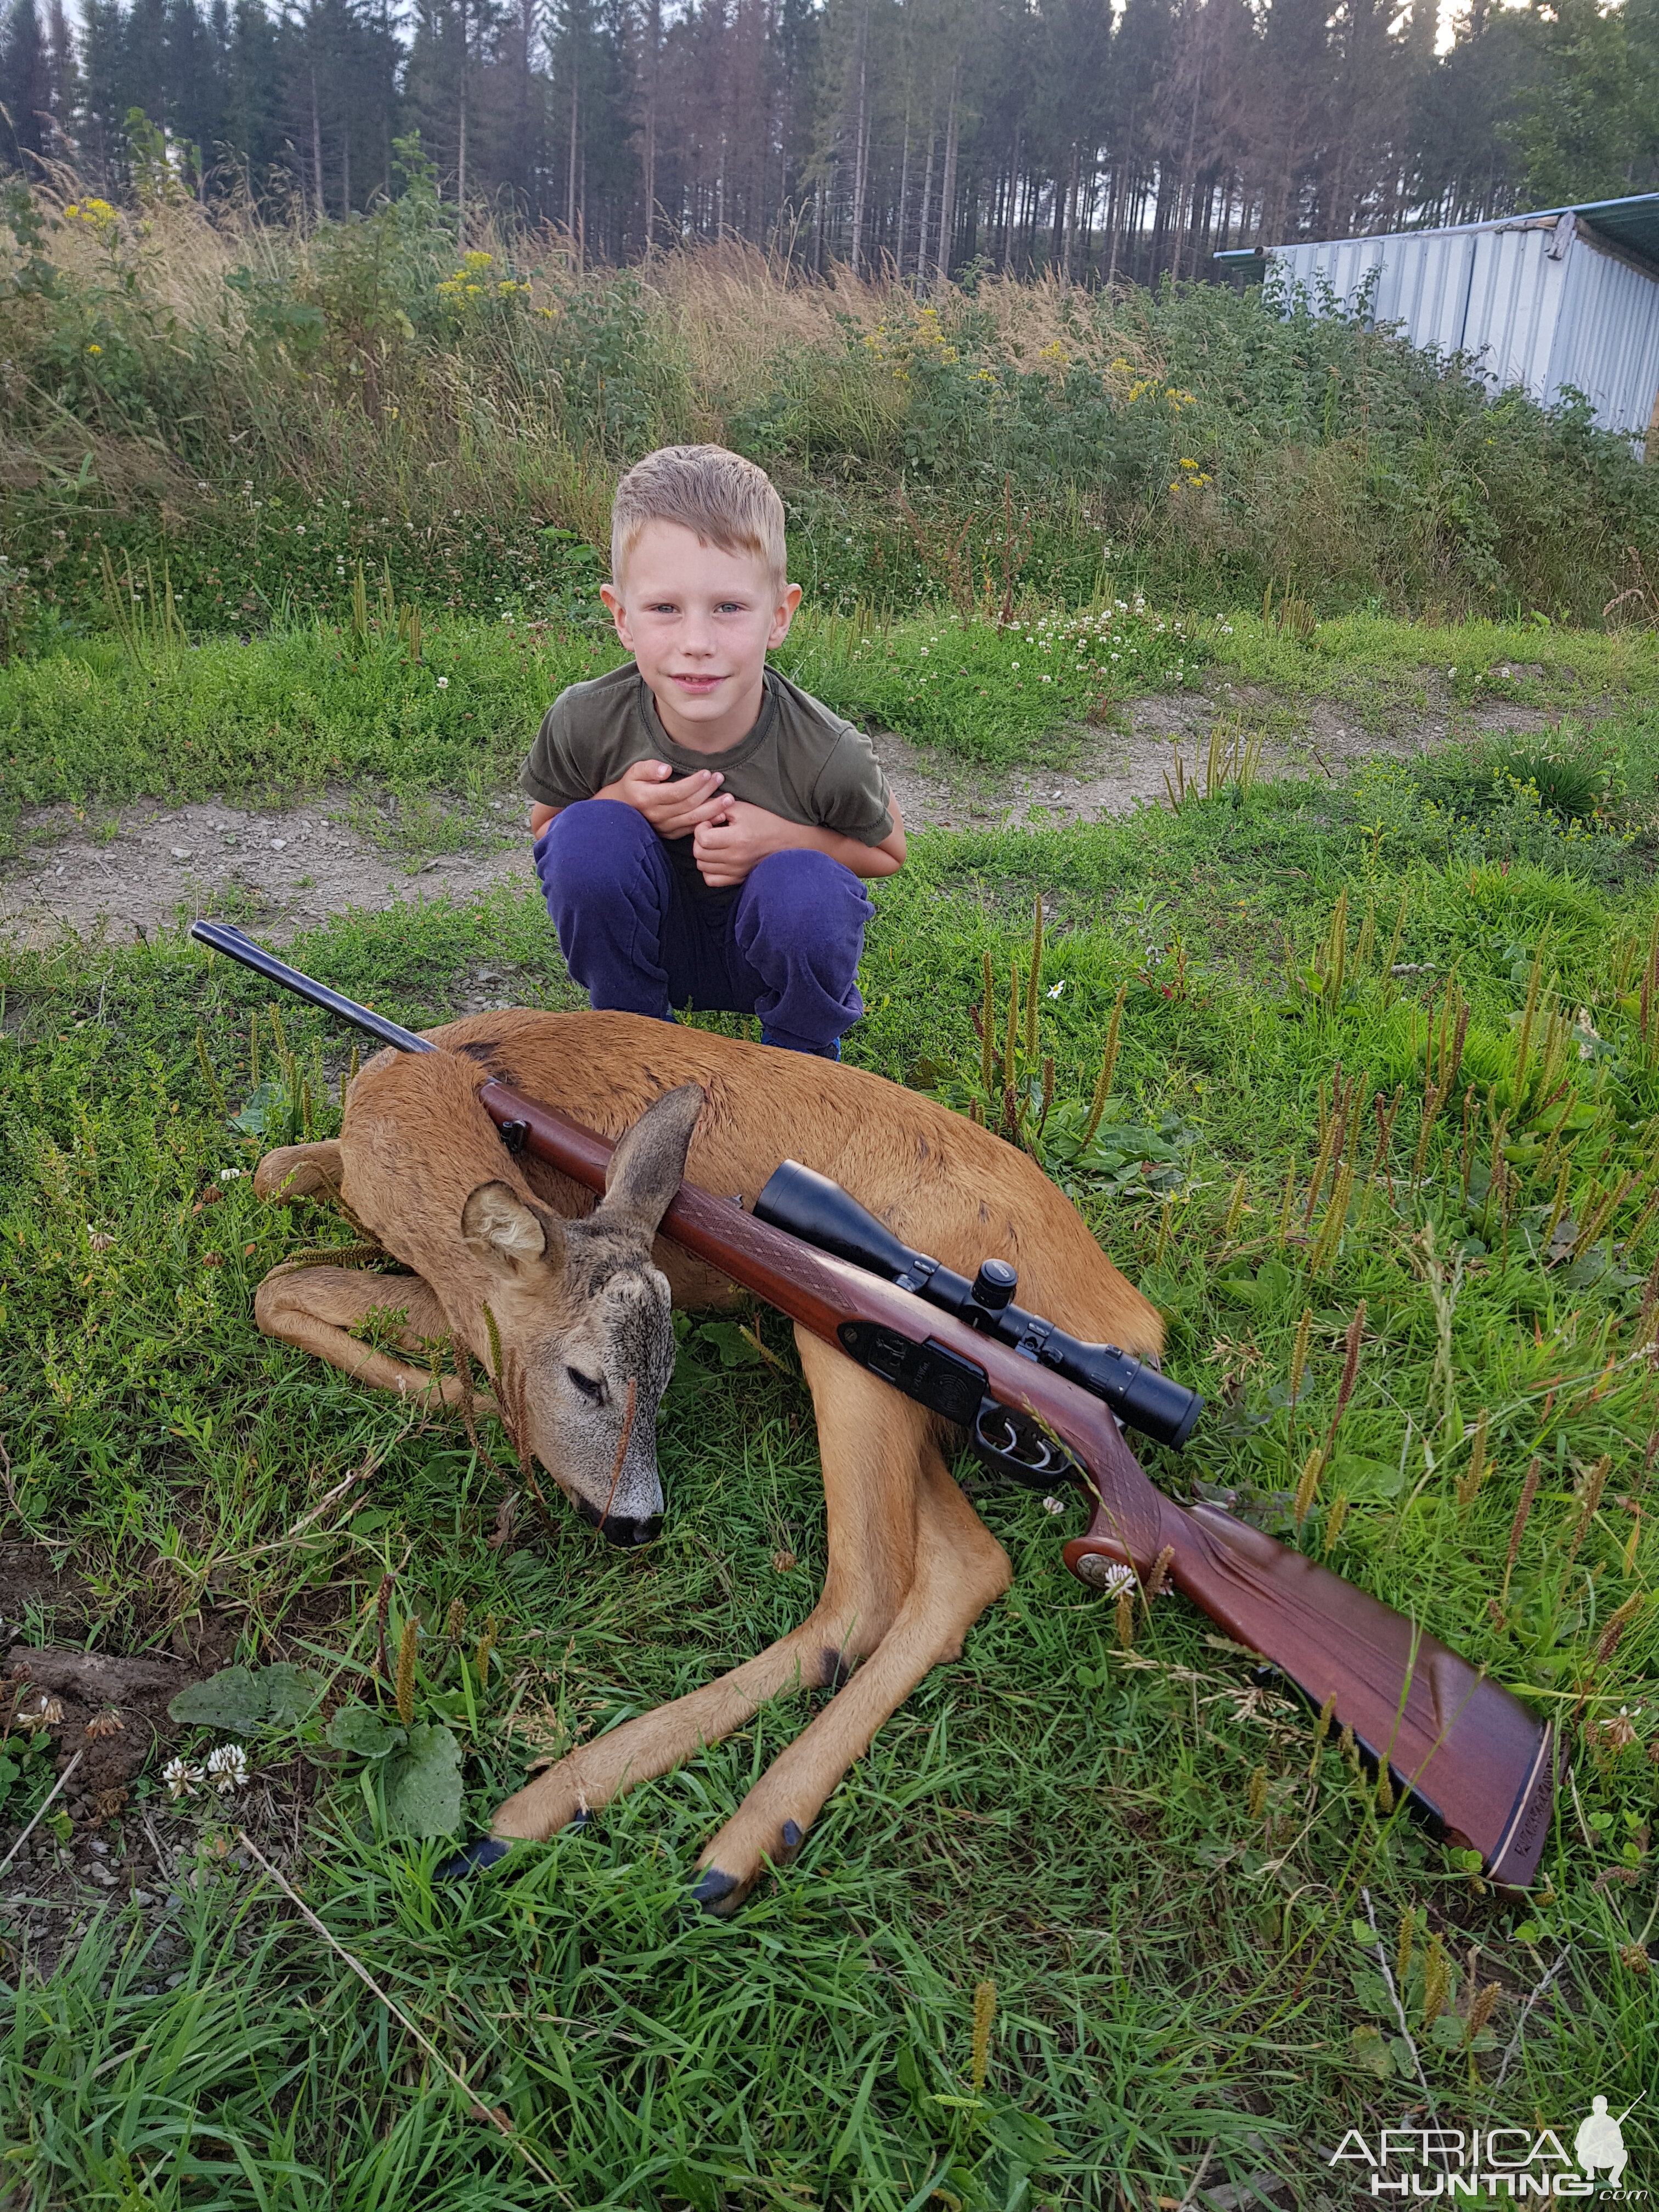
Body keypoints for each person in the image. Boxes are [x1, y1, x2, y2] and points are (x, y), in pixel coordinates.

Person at [522, 444, 906, 1059]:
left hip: (765, 952)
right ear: (621, 617)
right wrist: (621, 800)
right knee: (587, 836)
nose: (696, 642)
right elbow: (546, 831)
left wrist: (782, 838)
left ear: (779, 616)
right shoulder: (584, 720)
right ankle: (637, 1040)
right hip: (651, 945)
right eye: (664, 609)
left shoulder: (826, 748)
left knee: (806, 886)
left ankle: (800, 1060)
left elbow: (889, 852)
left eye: (728, 607)